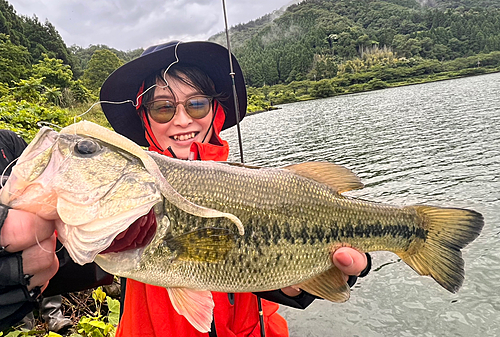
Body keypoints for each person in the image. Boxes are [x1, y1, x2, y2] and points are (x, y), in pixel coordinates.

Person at [0, 41, 369, 335]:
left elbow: (236, 261)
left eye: (196, 104)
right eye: (162, 108)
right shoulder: (122, 191)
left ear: (215, 111)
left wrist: (298, 285)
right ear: (144, 119)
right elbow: (74, 265)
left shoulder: (257, 184)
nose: (181, 120)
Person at [0, 130, 73, 333]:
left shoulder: (9, 140)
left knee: (47, 251)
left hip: (30, 218)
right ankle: (23, 324)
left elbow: (39, 170)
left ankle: (53, 313)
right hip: (8, 234)